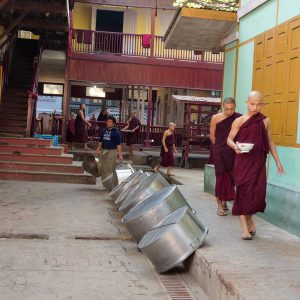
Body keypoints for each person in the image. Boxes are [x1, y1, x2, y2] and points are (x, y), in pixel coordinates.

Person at [227, 91, 284, 240]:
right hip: (243, 162)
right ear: (247, 103)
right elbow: (229, 140)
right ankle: (245, 230)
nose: (255, 107)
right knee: (243, 193)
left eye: (259, 104)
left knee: (258, 195)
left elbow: (270, 141)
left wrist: (278, 161)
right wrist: (235, 148)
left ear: (262, 105)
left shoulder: (265, 121)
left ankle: (249, 218)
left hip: (258, 162)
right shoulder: (239, 121)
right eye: (252, 104)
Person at [210, 98, 241, 216]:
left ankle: (224, 201)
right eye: (227, 109)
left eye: (231, 109)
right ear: (223, 107)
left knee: (231, 178)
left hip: (232, 151)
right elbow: (212, 136)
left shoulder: (238, 118)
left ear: (235, 107)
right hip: (219, 153)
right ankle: (219, 206)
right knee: (220, 179)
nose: (229, 112)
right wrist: (219, 148)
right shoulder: (215, 118)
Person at [95, 116, 123, 185]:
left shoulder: (116, 133)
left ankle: (108, 184)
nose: (108, 123)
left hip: (112, 152)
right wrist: (97, 149)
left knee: (109, 169)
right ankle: (104, 182)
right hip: (103, 151)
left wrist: (120, 155)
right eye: (107, 122)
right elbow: (101, 141)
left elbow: (118, 145)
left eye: (110, 122)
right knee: (101, 166)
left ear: (114, 124)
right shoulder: (104, 130)